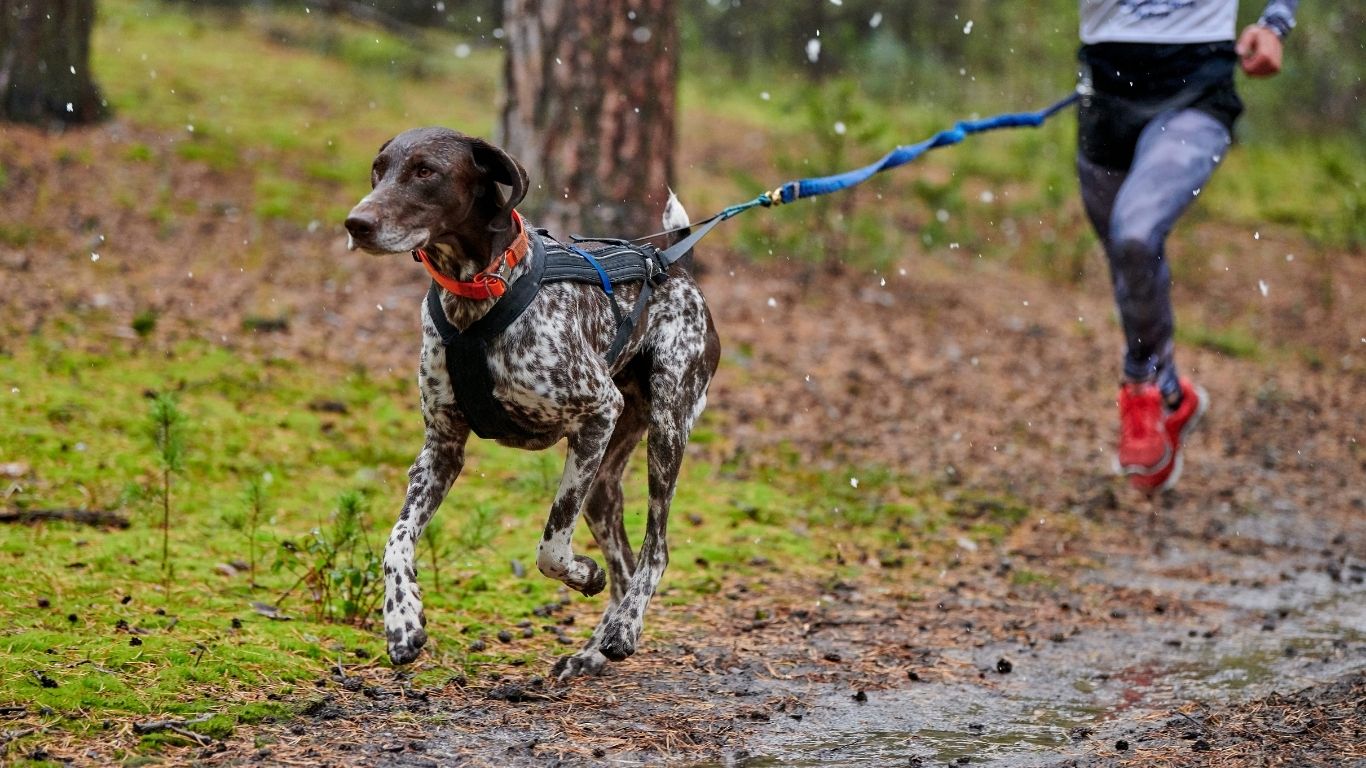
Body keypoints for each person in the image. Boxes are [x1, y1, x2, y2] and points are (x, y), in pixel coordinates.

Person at [1075, 0, 1296, 492]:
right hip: (1106, 94)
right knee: (1128, 267)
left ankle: (1140, 385)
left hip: (1197, 87)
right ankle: (1174, 396)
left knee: (1135, 234)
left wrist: (1276, 22)